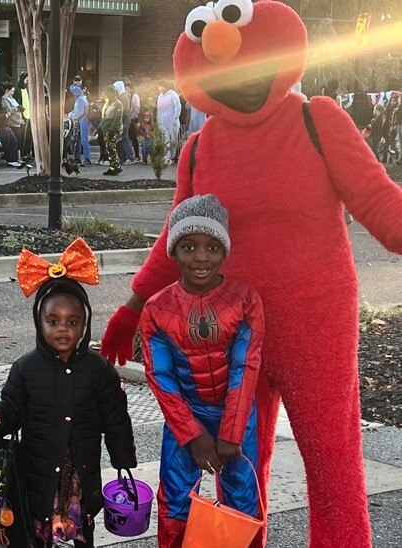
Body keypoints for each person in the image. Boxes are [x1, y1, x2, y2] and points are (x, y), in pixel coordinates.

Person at [100, 2, 402, 546]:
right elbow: (176, 240)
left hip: (317, 325)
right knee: (241, 466)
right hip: (232, 333)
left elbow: (381, 204)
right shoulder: (197, 150)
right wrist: (133, 305)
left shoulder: (318, 120)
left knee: (333, 463)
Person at [0, 237, 137, 548]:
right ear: (39, 323)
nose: (62, 329)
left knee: (82, 530)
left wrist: (123, 459)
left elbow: (115, 417)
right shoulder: (26, 368)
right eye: (53, 321)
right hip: (38, 472)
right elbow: (14, 406)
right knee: (37, 530)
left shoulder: (99, 369)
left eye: (72, 322)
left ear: (85, 325)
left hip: (81, 473)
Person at [140, 194, 264, 547]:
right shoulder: (157, 309)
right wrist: (193, 435)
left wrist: (231, 432)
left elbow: (246, 365)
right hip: (186, 416)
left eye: (212, 246)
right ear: (173, 251)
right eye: (189, 246)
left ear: (224, 251)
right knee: (175, 498)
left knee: (242, 498)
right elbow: (161, 377)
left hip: (237, 418)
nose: (201, 257)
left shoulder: (245, 300)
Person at [99, 85, 124, 176]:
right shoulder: (108, 103)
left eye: (107, 94)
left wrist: (112, 129)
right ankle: (112, 167)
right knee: (109, 148)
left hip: (114, 130)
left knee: (111, 147)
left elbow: (117, 118)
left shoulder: (118, 104)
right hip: (106, 129)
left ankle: (116, 167)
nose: (105, 96)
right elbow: (104, 116)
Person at [156, 80, 181, 165]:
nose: (159, 88)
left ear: (165, 87)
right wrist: (158, 119)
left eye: (160, 86)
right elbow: (159, 109)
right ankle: (167, 157)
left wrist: (175, 117)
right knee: (165, 139)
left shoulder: (172, 95)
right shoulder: (160, 96)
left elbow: (178, 105)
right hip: (163, 121)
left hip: (172, 121)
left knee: (173, 139)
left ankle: (172, 156)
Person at [69, 83, 92, 167]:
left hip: (83, 122)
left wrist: (74, 118)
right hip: (84, 121)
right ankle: (79, 158)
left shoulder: (80, 100)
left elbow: (81, 113)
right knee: (80, 141)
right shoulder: (83, 99)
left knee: (83, 141)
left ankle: (87, 159)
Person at [113, 80, 135, 165]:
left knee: (124, 138)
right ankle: (122, 157)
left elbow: (125, 110)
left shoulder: (124, 96)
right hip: (120, 120)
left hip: (124, 120)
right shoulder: (120, 96)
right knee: (119, 139)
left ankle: (130, 157)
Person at [1, 83, 25, 160]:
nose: (13, 93)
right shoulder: (4, 99)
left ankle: (18, 158)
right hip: (12, 123)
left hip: (18, 122)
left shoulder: (12, 99)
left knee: (18, 141)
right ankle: (14, 158)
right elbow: (8, 110)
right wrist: (17, 108)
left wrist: (21, 119)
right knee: (14, 142)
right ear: (7, 90)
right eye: (11, 91)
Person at [14, 71, 33, 161]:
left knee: (27, 136)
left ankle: (26, 153)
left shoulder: (26, 90)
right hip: (22, 116)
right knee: (22, 137)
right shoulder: (18, 90)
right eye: (27, 80)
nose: (28, 82)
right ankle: (21, 154)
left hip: (28, 115)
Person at [127, 81, 141, 162]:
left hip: (133, 119)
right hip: (129, 118)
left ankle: (137, 155)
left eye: (128, 88)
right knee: (130, 137)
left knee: (133, 137)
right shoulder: (128, 96)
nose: (127, 90)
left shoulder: (134, 96)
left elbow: (137, 109)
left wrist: (131, 117)